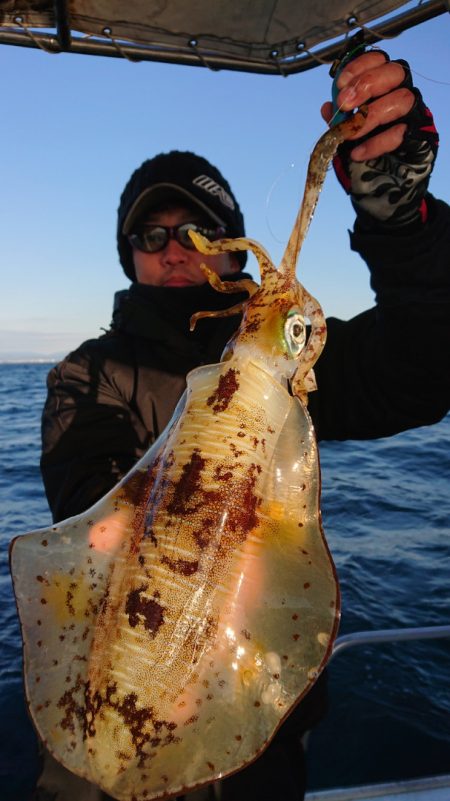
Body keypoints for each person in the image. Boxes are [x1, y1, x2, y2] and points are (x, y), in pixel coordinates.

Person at [37, 50, 449, 801]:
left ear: (230, 245)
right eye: (151, 235)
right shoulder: (85, 376)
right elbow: (87, 501)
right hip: (115, 679)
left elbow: (426, 366)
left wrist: (401, 225)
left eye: (196, 231)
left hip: (254, 722)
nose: (173, 250)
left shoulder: (292, 371)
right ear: (129, 256)